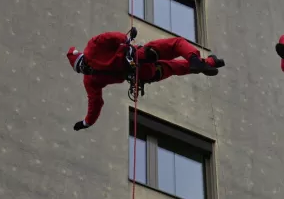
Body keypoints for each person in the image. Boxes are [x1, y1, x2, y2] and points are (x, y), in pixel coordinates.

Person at [66, 28, 225, 130]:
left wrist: (86, 122)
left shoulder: (90, 80)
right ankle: (196, 59)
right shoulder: (91, 48)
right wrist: (125, 40)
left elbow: (95, 103)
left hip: (143, 75)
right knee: (175, 44)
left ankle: (210, 62)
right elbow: (111, 37)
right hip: (140, 56)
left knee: (173, 67)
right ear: (80, 56)